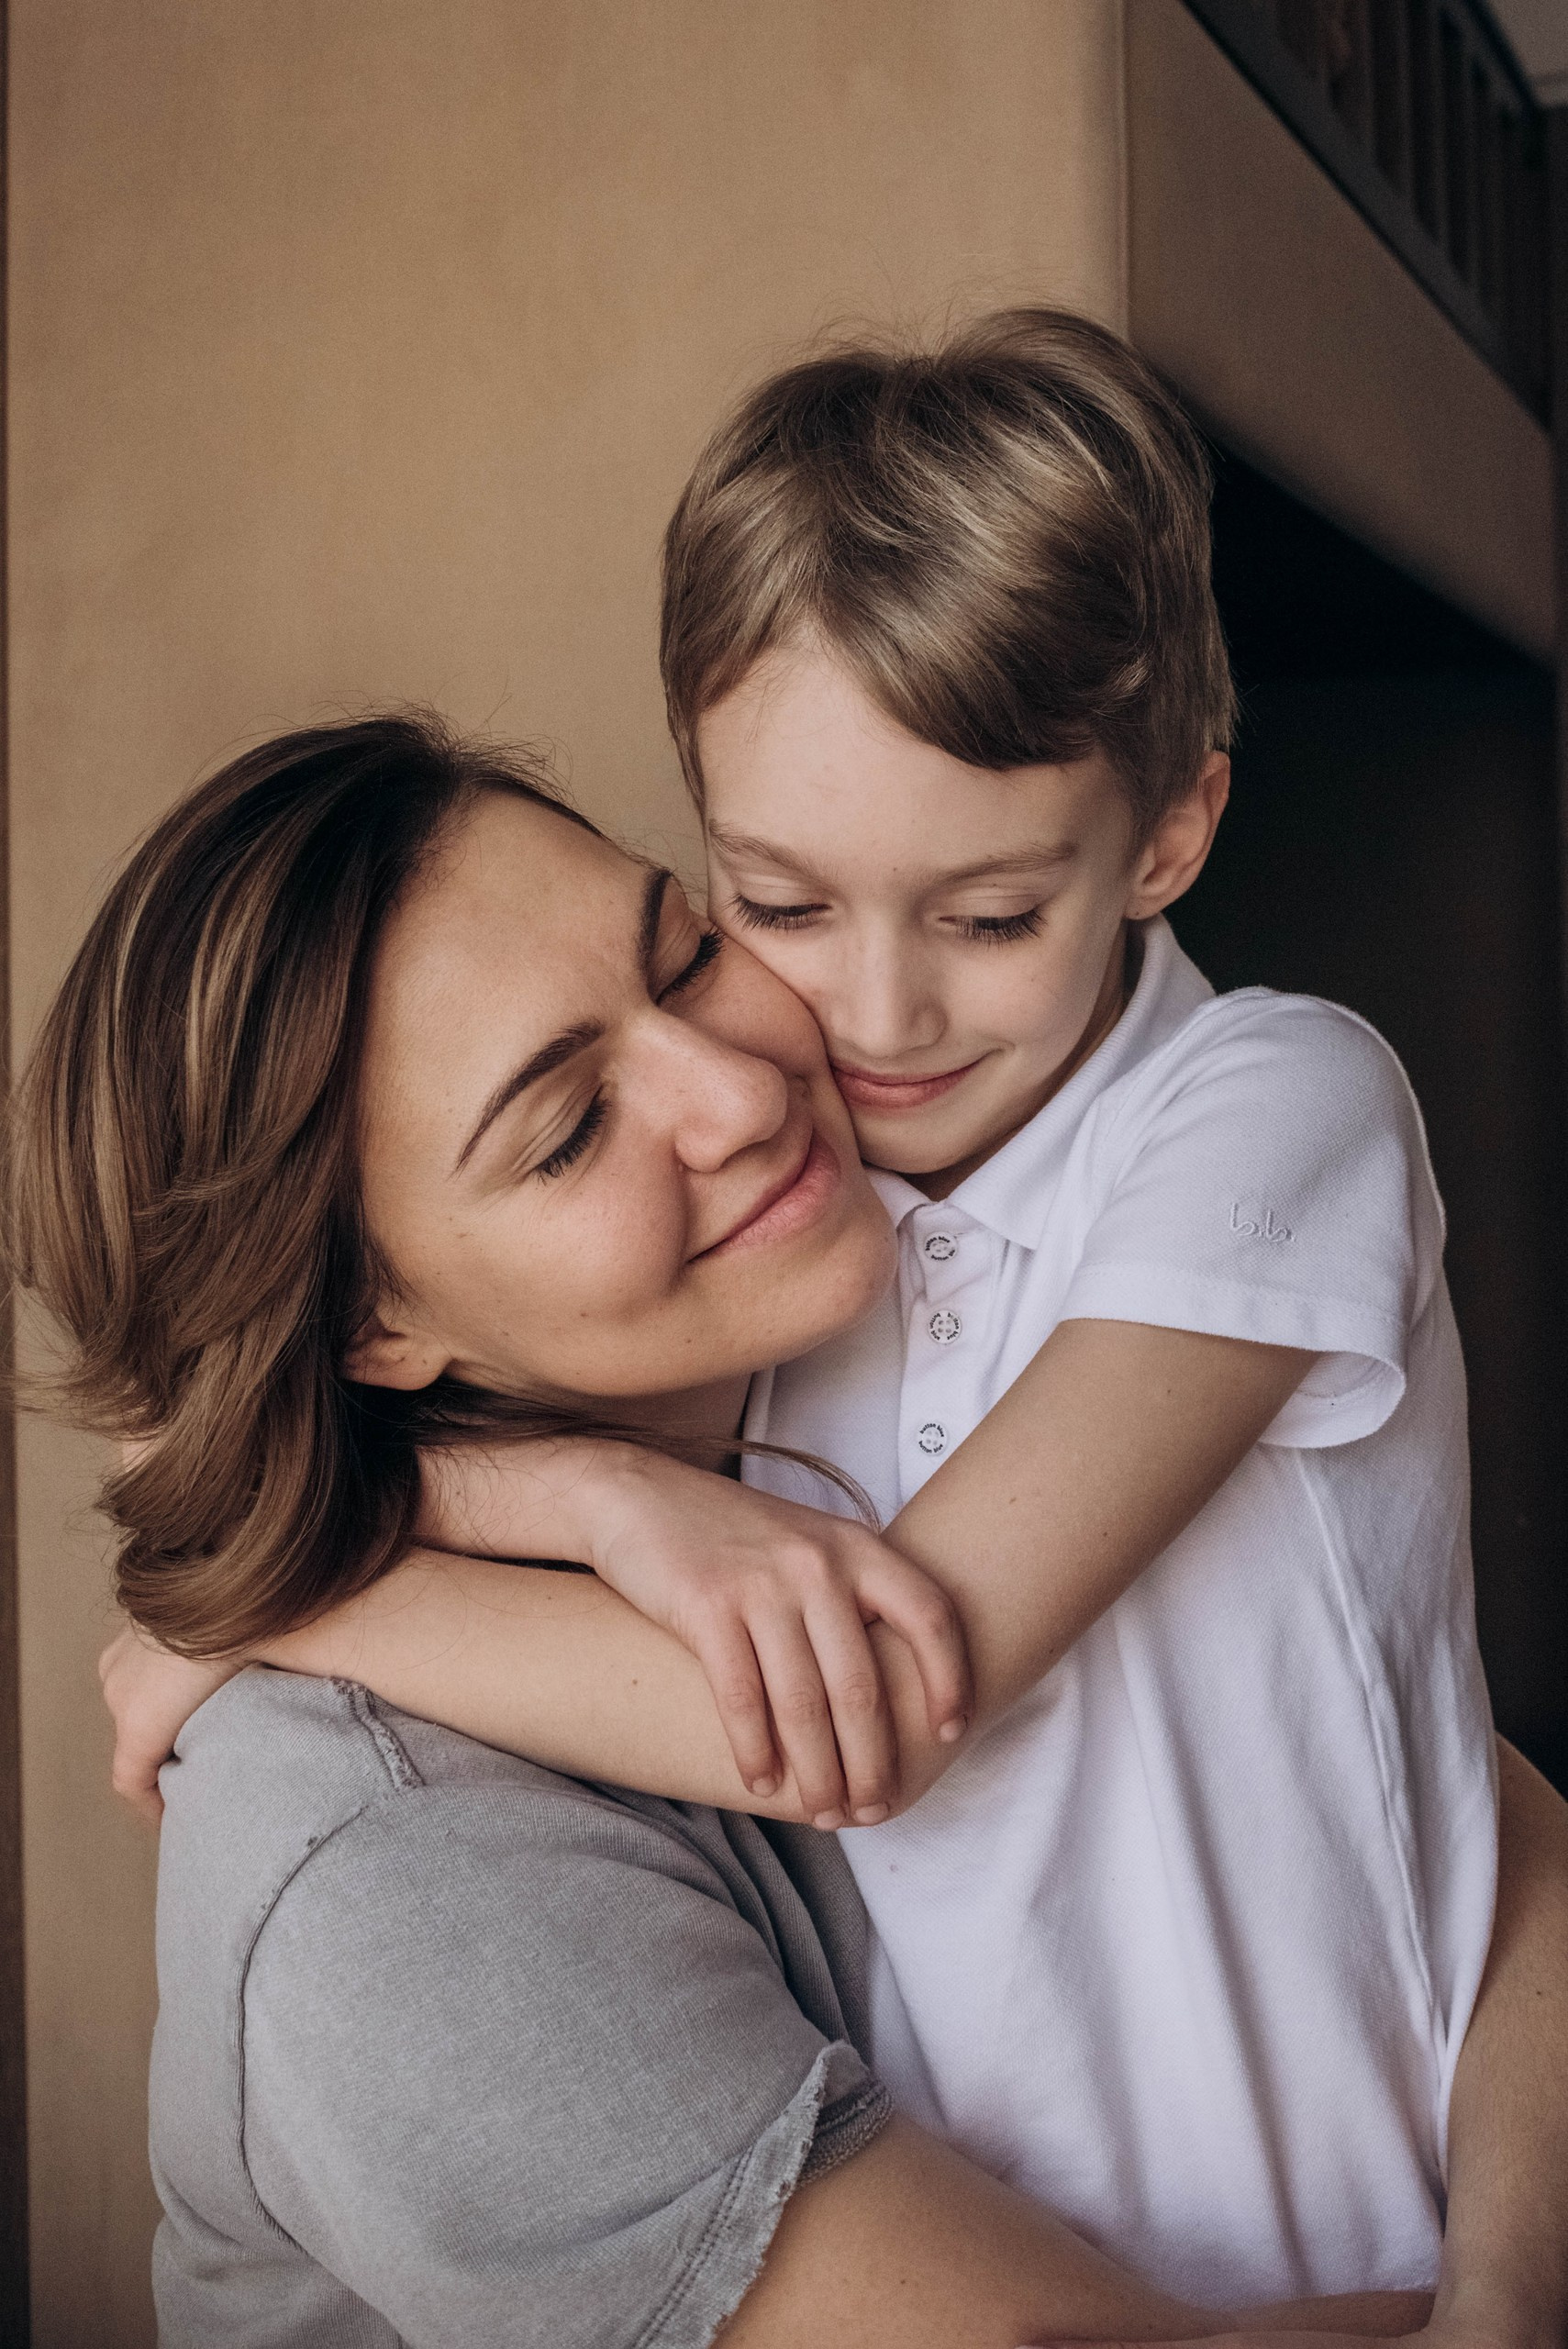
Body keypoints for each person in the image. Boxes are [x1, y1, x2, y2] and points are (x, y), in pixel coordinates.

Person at [109, 316, 1512, 2302]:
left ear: (1174, 835)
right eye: (777, 905)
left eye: (685, 950)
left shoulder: (1253, 1110)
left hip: (1358, 2235)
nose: (851, 1027)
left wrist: (283, 1582)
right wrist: (525, 1520)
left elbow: (923, 1704)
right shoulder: (771, 1310)